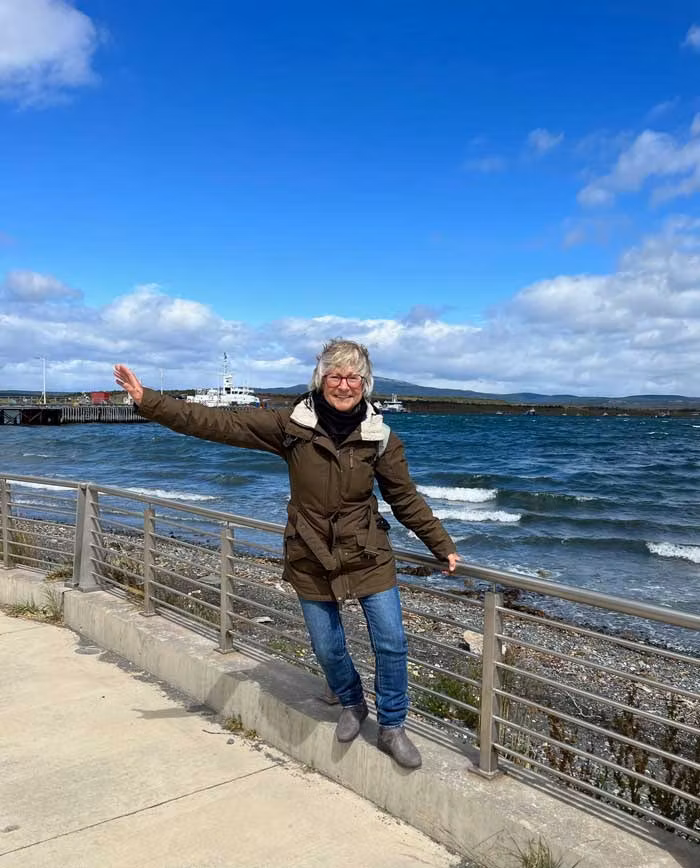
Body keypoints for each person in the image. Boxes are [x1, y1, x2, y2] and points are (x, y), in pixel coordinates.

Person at [114, 340, 459, 769]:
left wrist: (440, 543)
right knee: (328, 647)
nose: (344, 384)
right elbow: (218, 423)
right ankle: (352, 703)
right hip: (310, 553)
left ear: (365, 383)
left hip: (367, 552)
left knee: (391, 643)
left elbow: (404, 498)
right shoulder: (292, 426)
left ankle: (392, 726)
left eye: (353, 377)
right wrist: (151, 402)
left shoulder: (380, 438)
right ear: (321, 379)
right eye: (335, 375)